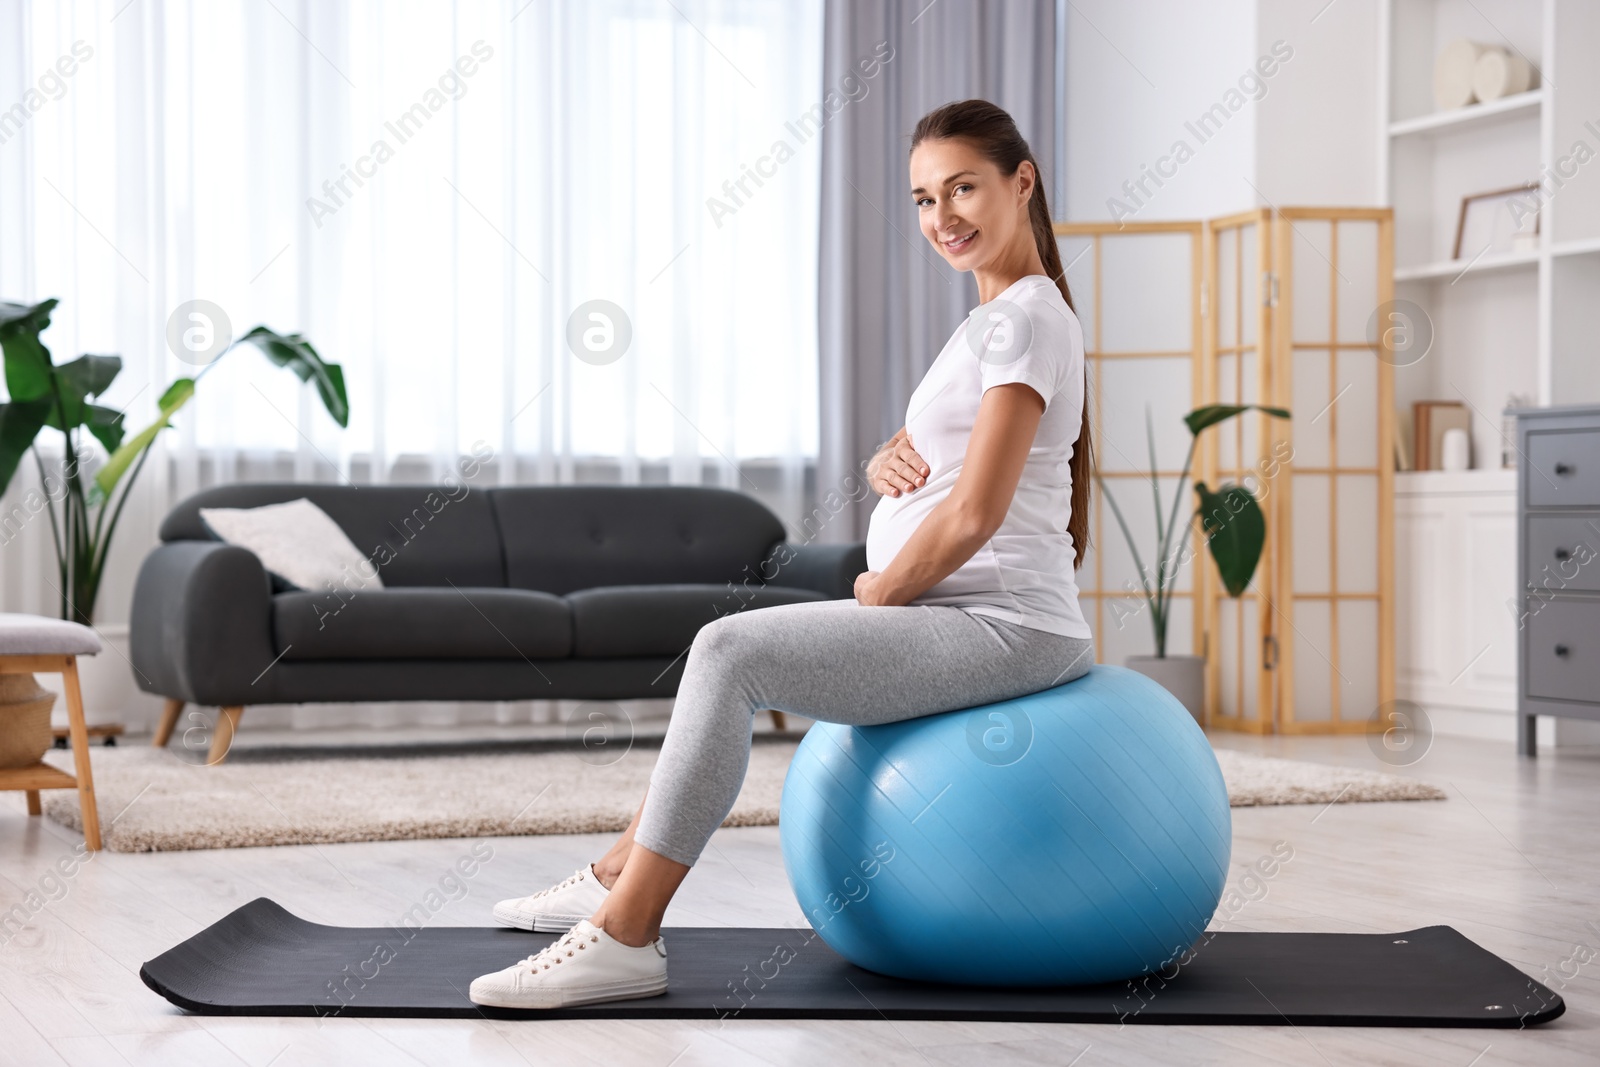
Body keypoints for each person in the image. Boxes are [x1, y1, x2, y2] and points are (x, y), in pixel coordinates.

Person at [469, 98, 1098, 1010]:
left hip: (1003, 626)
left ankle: (626, 936)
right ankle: (614, 874)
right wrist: (893, 454)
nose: (942, 217)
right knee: (725, 652)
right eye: (923, 198)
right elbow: (963, 455)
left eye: (963, 187)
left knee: (729, 651)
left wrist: (884, 589)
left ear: (1022, 182)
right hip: (966, 612)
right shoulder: (1002, 320)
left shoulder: (1025, 317)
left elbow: (976, 513)